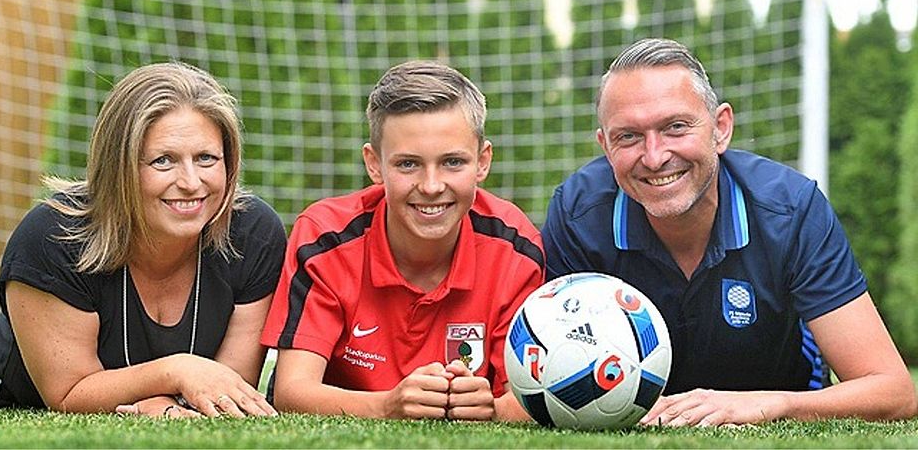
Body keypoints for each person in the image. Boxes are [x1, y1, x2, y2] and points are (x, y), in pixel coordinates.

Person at [542, 38, 918, 426]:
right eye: (629, 137)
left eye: (675, 127)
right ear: (605, 146)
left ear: (721, 129)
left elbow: (892, 390)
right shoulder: (578, 214)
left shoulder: (791, 210)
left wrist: (770, 405)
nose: (654, 157)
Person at [0, 62, 284, 417]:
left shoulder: (253, 233)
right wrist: (175, 372)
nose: (191, 182)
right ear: (119, 166)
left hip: (143, 380)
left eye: (206, 158)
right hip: (20, 378)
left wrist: (166, 400)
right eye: (163, 161)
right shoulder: (51, 237)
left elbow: (228, 385)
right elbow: (68, 394)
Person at [260, 60, 545, 421]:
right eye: (408, 164)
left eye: (453, 162)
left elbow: (529, 400)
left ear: (483, 161)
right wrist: (386, 406)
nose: (431, 186)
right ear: (374, 164)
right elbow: (291, 390)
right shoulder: (324, 237)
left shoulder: (515, 249)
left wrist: (490, 409)